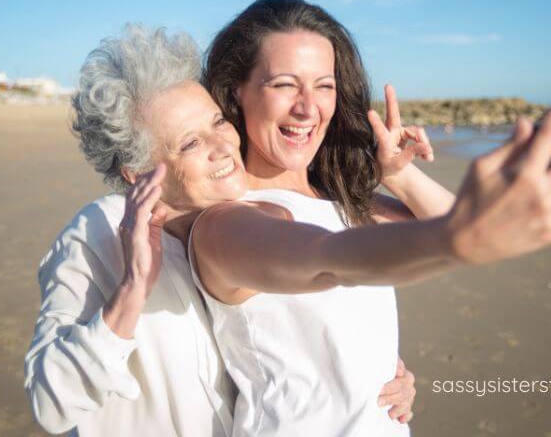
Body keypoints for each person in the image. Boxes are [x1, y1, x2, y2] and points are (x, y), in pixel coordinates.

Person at [188, 0, 551, 435]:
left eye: (325, 86)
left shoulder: (346, 202)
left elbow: (448, 231)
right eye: (284, 84)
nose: (308, 108)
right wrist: (458, 236)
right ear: (236, 89)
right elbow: (330, 258)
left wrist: (400, 175)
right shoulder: (228, 223)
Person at [23, 25, 417, 436]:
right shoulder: (95, 234)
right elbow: (51, 405)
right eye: (191, 143)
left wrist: (374, 375)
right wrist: (132, 291)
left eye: (218, 122)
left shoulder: (237, 217)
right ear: (138, 171)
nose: (223, 146)